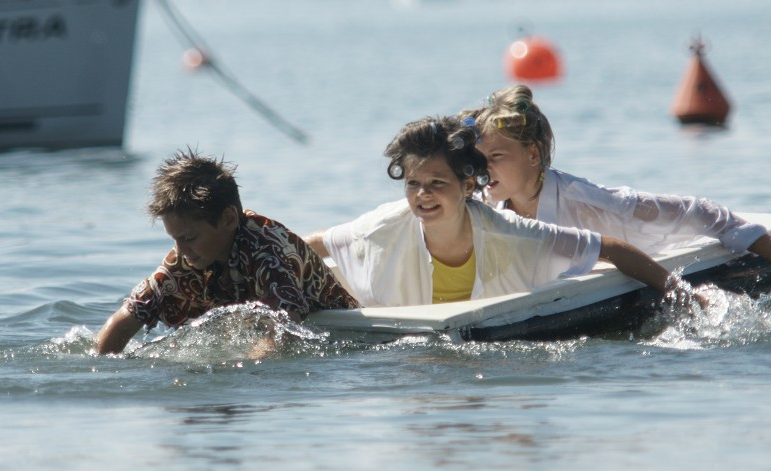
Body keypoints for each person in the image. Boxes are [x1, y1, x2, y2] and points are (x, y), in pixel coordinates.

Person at [305, 115, 691, 308]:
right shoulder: (381, 227)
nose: (423, 195)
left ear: (468, 186)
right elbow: (313, 243)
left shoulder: (511, 230)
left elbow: (612, 248)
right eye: (412, 184)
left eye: (437, 184)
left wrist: (686, 300)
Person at [465, 84, 771, 262]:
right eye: (481, 159)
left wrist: (750, 237)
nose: (484, 168)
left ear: (533, 154)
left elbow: (698, 212)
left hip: (662, 262)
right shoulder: (486, 203)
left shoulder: (584, 199)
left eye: (496, 157)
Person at [95, 149, 358, 355]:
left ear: (229, 219)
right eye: (175, 239)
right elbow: (123, 322)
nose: (181, 250)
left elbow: (282, 332)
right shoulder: (185, 258)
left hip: (350, 338)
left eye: (188, 238)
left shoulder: (267, 252)